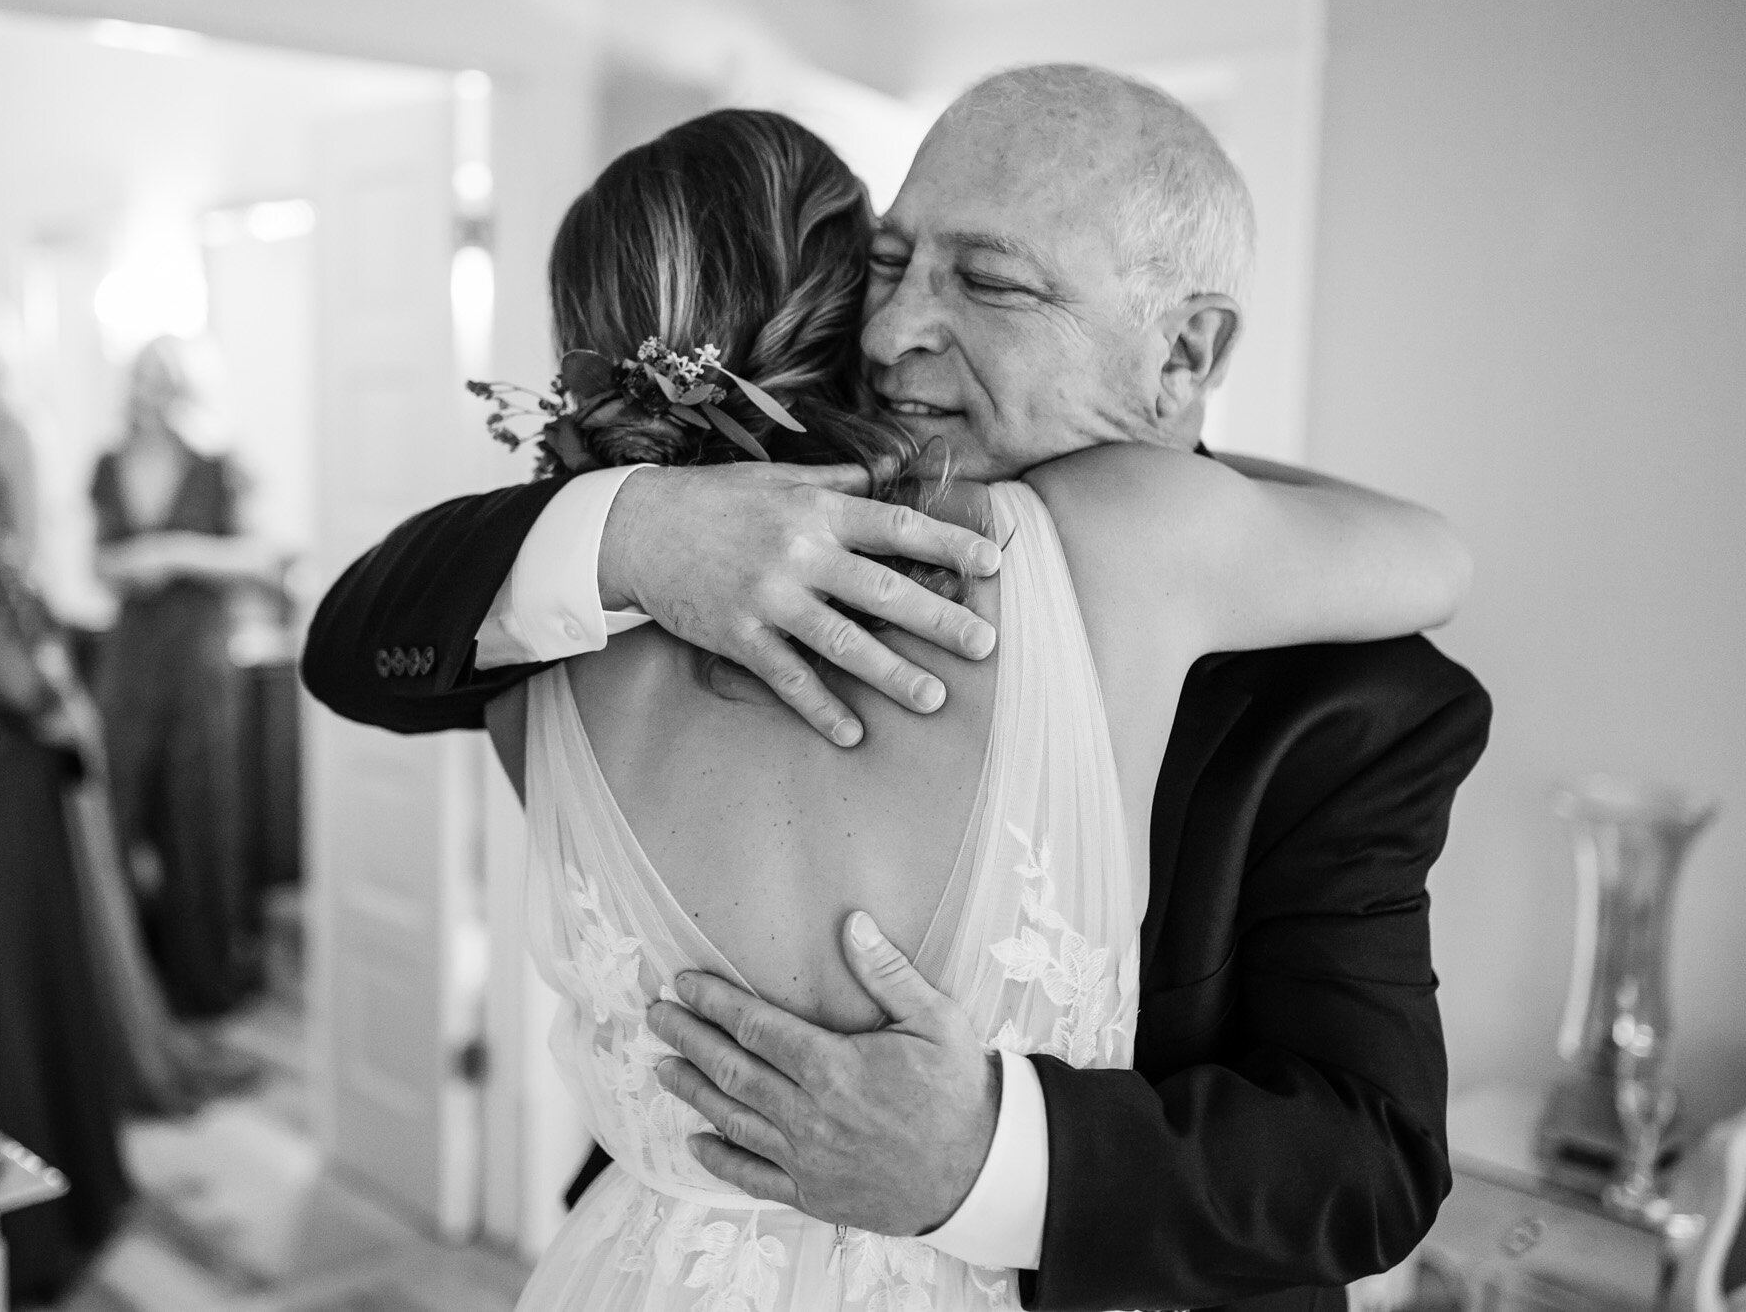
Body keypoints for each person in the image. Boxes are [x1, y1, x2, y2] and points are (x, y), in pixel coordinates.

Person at [305, 78, 1488, 1311]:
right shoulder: (623, 581)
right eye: (887, 261)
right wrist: (638, 533)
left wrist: (988, 1158)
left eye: (988, 281)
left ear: (1184, 351)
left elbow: (1368, 1163)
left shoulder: (1357, 696)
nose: (890, 333)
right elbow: (355, 643)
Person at [0, 312, 134, 1305]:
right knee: (22, 972)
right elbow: (2, 631)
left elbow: (18, 591)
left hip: (10, 749)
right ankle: (39, 1217)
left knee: (33, 969)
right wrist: (52, 701)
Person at [93, 337, 282, 1016]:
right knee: (116, 809)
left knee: (201, 811)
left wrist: (171, 552)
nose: (149, 392)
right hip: (130, 652)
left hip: (200, 654)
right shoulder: (107, 464)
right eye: (140, 378)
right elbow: (97, 561)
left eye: (162, 379)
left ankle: (203, 980)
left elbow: (257, 557)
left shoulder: (218, 462)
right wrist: (123, 565)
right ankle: (123, 987)